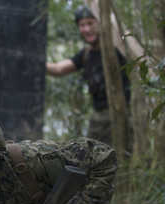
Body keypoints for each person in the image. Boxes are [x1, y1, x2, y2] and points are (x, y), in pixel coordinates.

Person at [46, 5, 131, 147]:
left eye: (90, 23)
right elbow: (58, 69)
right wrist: (33, 62)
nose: (86, 29)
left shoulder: (118, 49)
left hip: (123, 116)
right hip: (98, 119)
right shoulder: (85, 54)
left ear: (100, 23)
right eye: (82, 25)